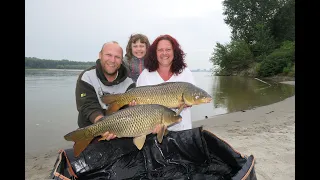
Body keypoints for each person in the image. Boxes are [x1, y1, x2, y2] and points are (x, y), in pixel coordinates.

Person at [75, 41, 161, 141]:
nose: (112, 60)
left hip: (118, 132)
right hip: (89, 130)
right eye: (108, 55)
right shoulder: (87, 77)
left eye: (117, 57)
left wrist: (133, 108)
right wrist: (102, 126)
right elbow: (87, 106)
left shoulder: (129, 83)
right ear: (100, 55)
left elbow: (127, 115)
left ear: (121, 60)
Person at [136, 34, 196, 131]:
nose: (164, 53)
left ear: (174, 52)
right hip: (153, 130)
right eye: (160, 50)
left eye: (168, 49)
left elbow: (193, 97)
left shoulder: (185, 73)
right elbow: (141, 110)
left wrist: (188, 103)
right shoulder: (145, 75)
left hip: (182, 129)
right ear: (154, 53)